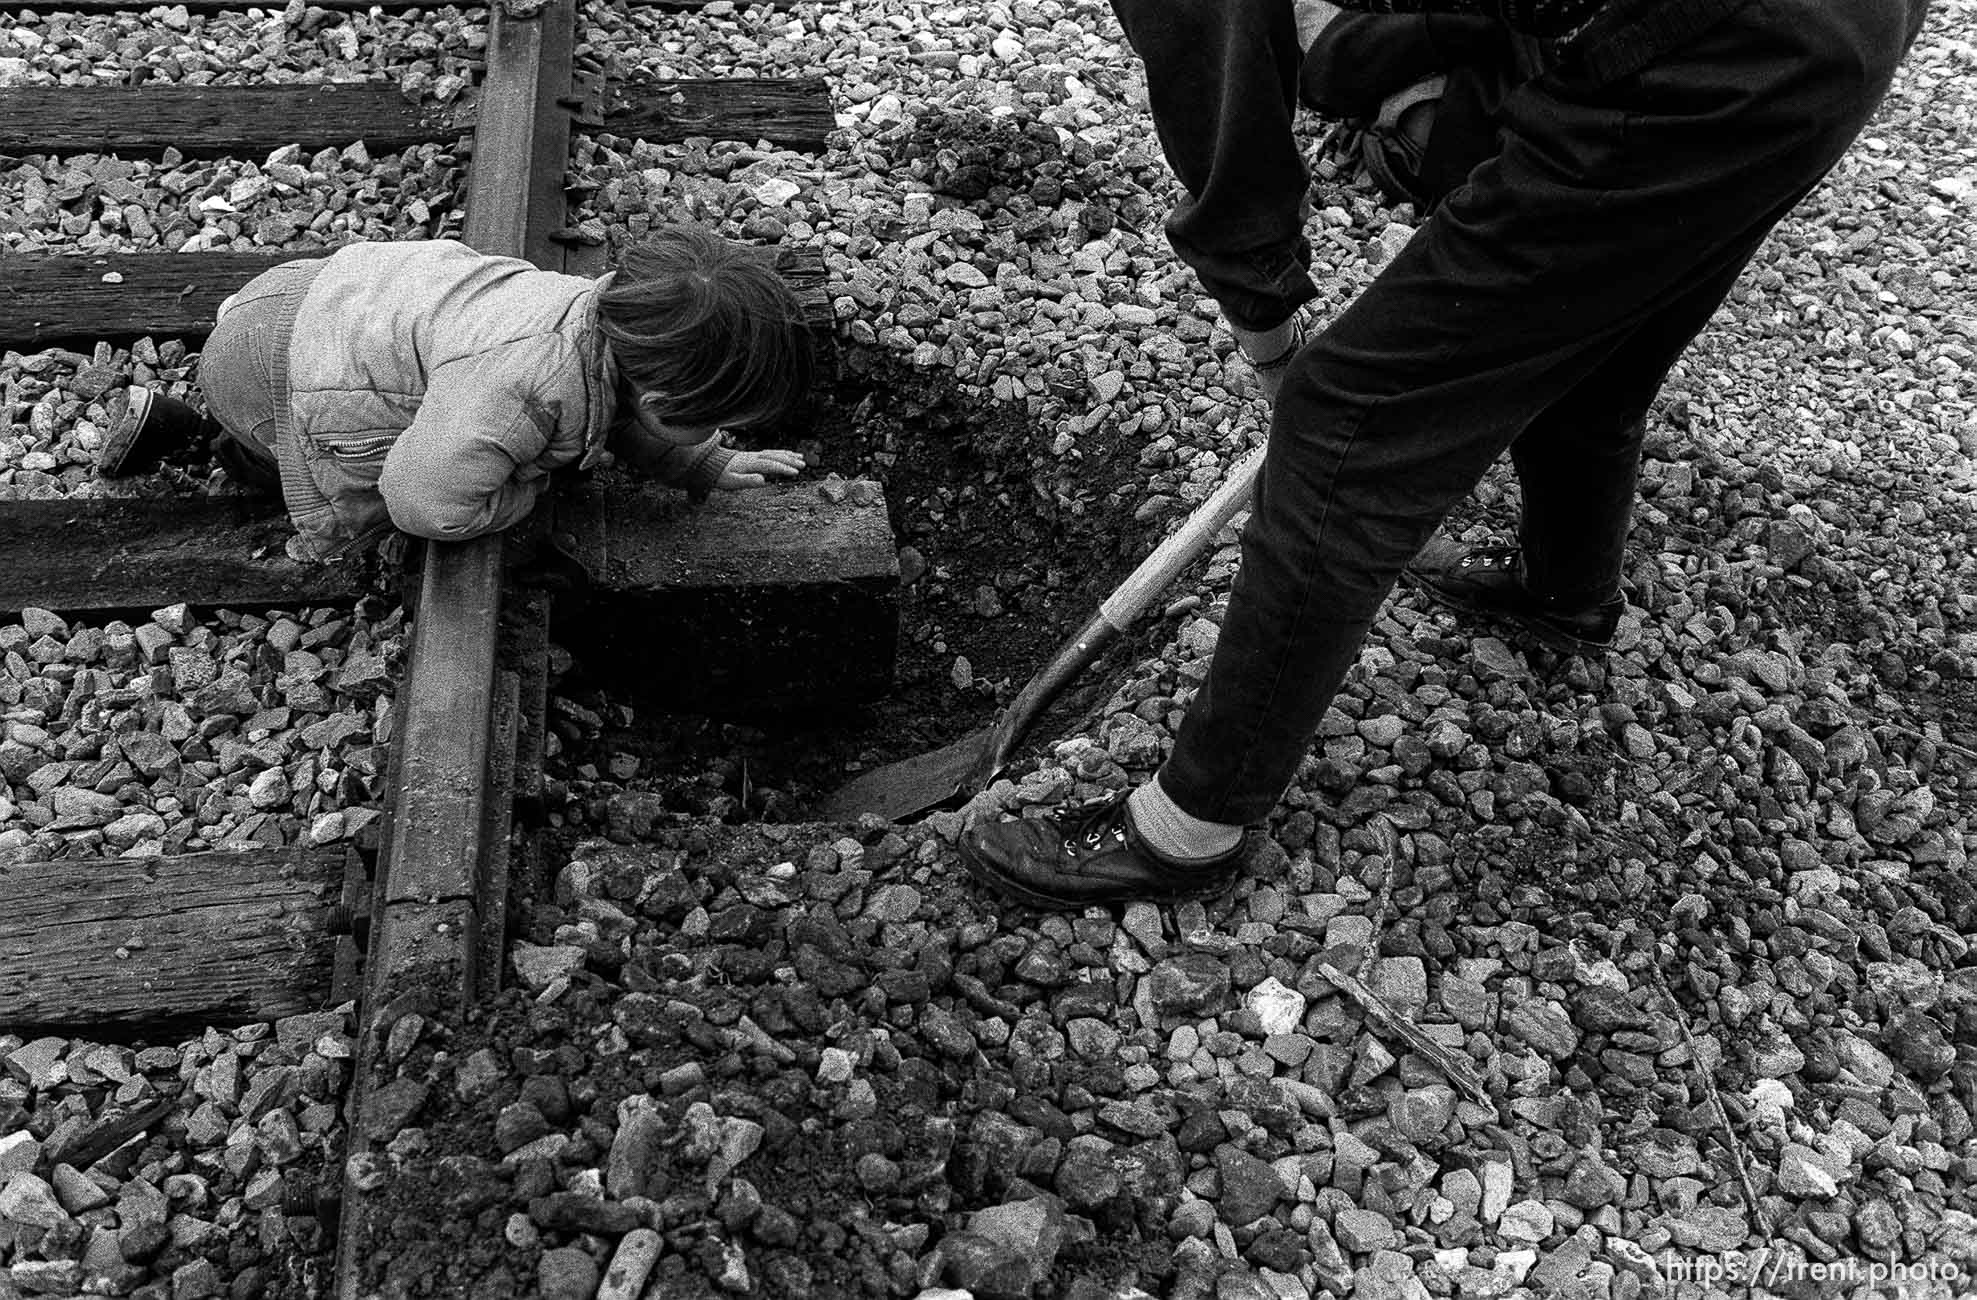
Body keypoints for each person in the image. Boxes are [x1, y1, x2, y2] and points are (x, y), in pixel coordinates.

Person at [958, 0, 1930, 910]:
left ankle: (1191, 827)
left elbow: (1282, 69)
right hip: (1842, 31)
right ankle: (1564, 591)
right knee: (1596, 338)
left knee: (1348, 419)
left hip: (1711, 53)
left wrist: (1275, 323)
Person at [100, 228, 814, 561]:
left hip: (311, 297)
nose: (725, 429)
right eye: (719, 421)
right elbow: (421, 501)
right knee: (305, 468)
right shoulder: (518, 388)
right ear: (663, 400)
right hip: (273, 371)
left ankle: (197, 421)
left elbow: (624, 413)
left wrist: (700, 464)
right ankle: (211, 441)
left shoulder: (603, 323)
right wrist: (524, 496)